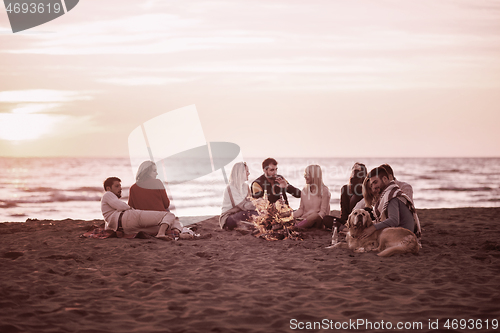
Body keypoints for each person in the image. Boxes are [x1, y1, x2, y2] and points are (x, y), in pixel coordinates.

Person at [101, 177, 182, 239]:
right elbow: (121, 206)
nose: (120, 188)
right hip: (130, 217)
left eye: (120, 186)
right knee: (169, 215)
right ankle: (161, 234)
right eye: (117, 186)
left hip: (125, 228)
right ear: (108, 188)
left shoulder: (109, 208)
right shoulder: (107, 194)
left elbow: (108, 225)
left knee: (161, 226)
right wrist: (130, 208)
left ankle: (177, 234)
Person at [361, 167, 421, 239]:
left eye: (375, 182)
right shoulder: (392, 193)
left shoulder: (392, 196)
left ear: (385, 179)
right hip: (403, 234)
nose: (374, 187)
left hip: (403, 237)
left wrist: (373, 228)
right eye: (371, 185)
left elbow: (394, 221)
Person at [220, 162, 258, 230]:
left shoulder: (246, 187)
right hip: (229, 217)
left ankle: (246, 227)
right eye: (247, 171)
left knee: (258, 213)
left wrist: (261, 205)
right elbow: (244, 206)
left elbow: (250, 203)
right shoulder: (231, 188)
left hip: (241, 213)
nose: (248, 173)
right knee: (247, 214)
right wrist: (257, 203)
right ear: (241, 173)